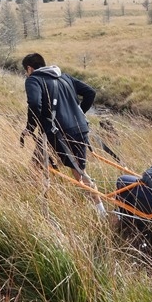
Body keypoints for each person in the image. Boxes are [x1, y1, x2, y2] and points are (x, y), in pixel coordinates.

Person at [20, 52, 106, 217]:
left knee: (78, 174)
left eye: (26, 70)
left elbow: (34, 104)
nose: (26, 73)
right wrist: (79, 113)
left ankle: (100, 213)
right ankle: (99, 210)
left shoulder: (33, 80)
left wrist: (30, 128)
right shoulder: (64, 77)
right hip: (80, 129)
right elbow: (90, 93)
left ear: (29, 68)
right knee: (72, 170)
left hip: (58, 133)